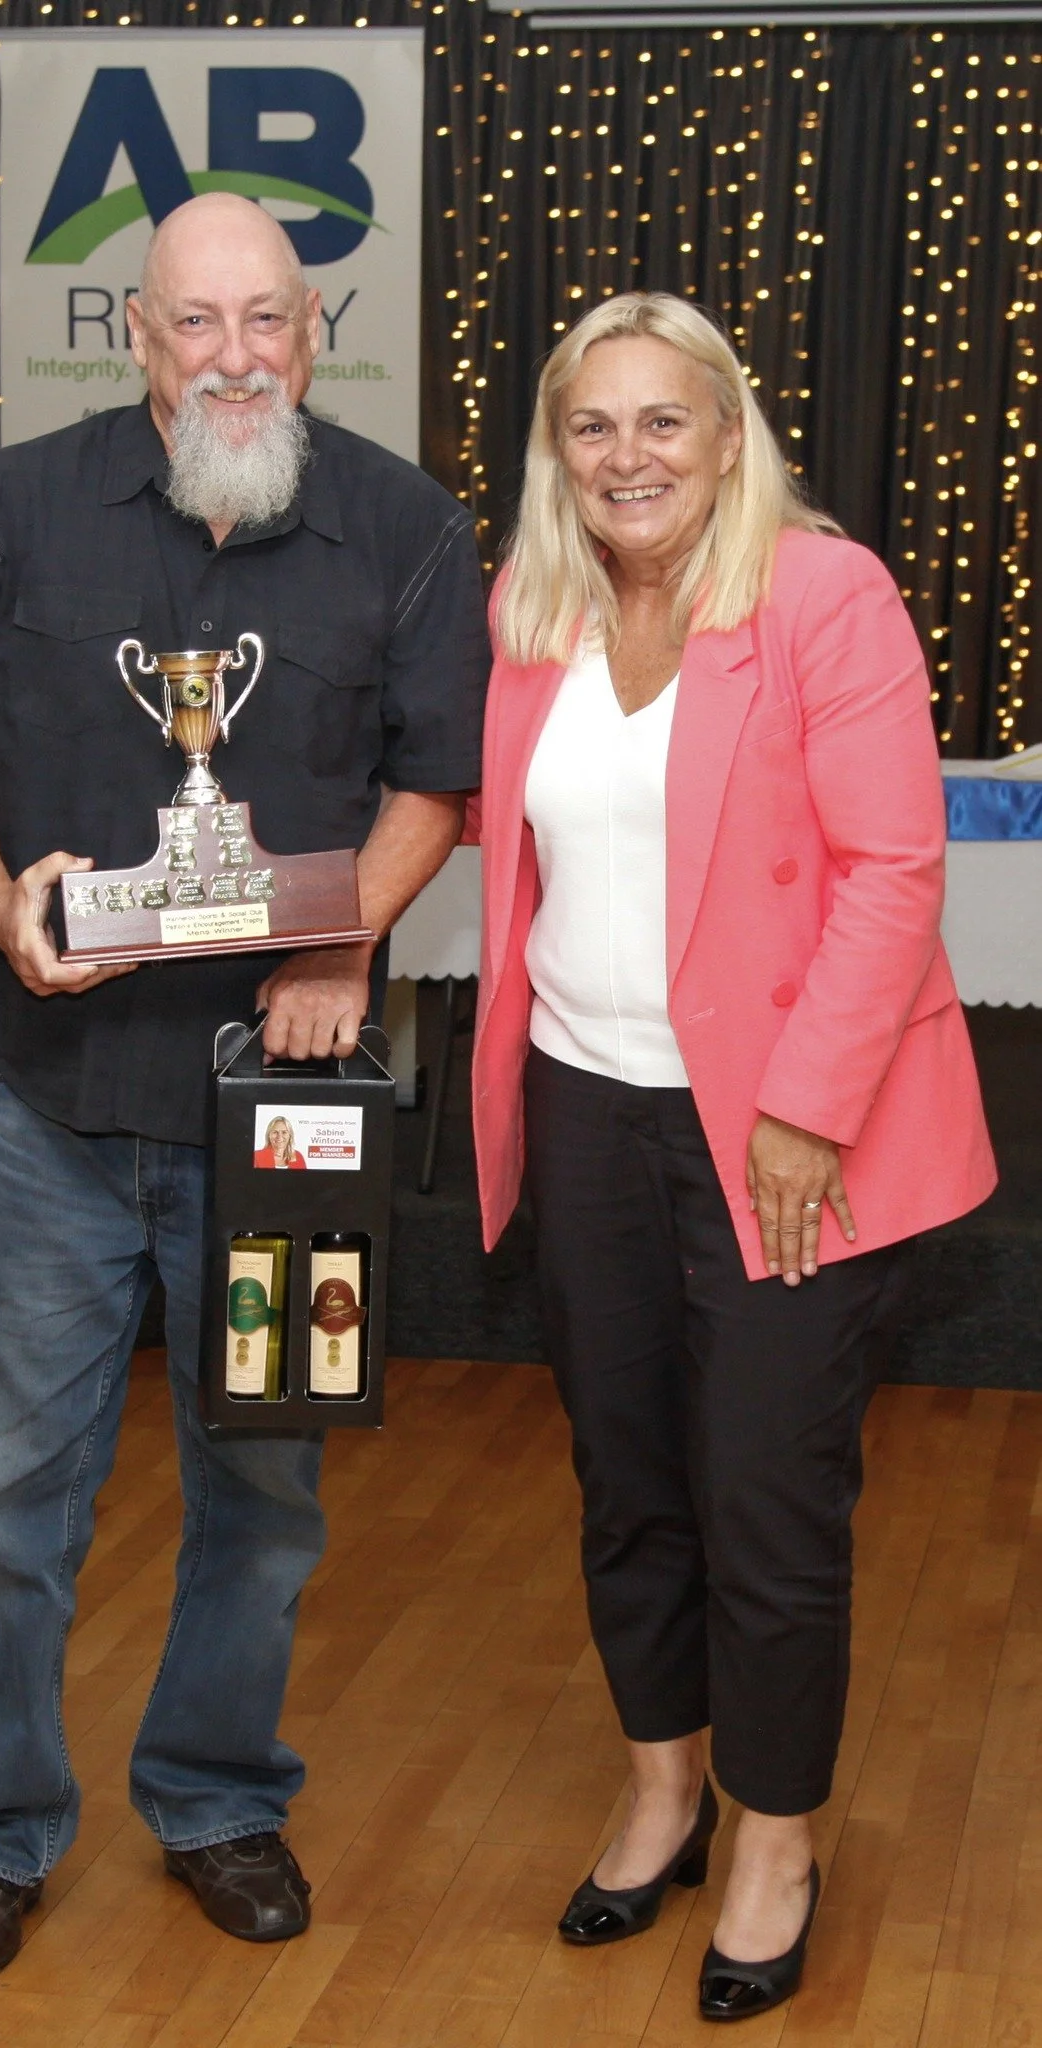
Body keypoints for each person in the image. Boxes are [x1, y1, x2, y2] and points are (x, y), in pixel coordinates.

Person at [0, 192, 489, 1982]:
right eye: (196, 322)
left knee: (266, 1493)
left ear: (315, 332)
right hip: (54, 1103)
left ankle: (218, 1800)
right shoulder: (11, 506)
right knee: (8, 1498)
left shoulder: (404, 524)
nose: (235, 354)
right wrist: (2, 908)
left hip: (285, 1120)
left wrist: (342, 936)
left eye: (269, 320)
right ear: (135, 339)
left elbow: (431, 785)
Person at [467, 292, 995, 2023]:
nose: (629, 458)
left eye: (663, 421)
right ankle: (660, 1786)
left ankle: (775, 1839)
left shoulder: (822, 593)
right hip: (586, 1104)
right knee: (625, 1482)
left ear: (727, 432)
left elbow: (893, 868)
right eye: (593, 427)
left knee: (766, 1503)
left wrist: (801, 1106)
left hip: (784, 1132)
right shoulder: (530, 609)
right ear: (558, 453)